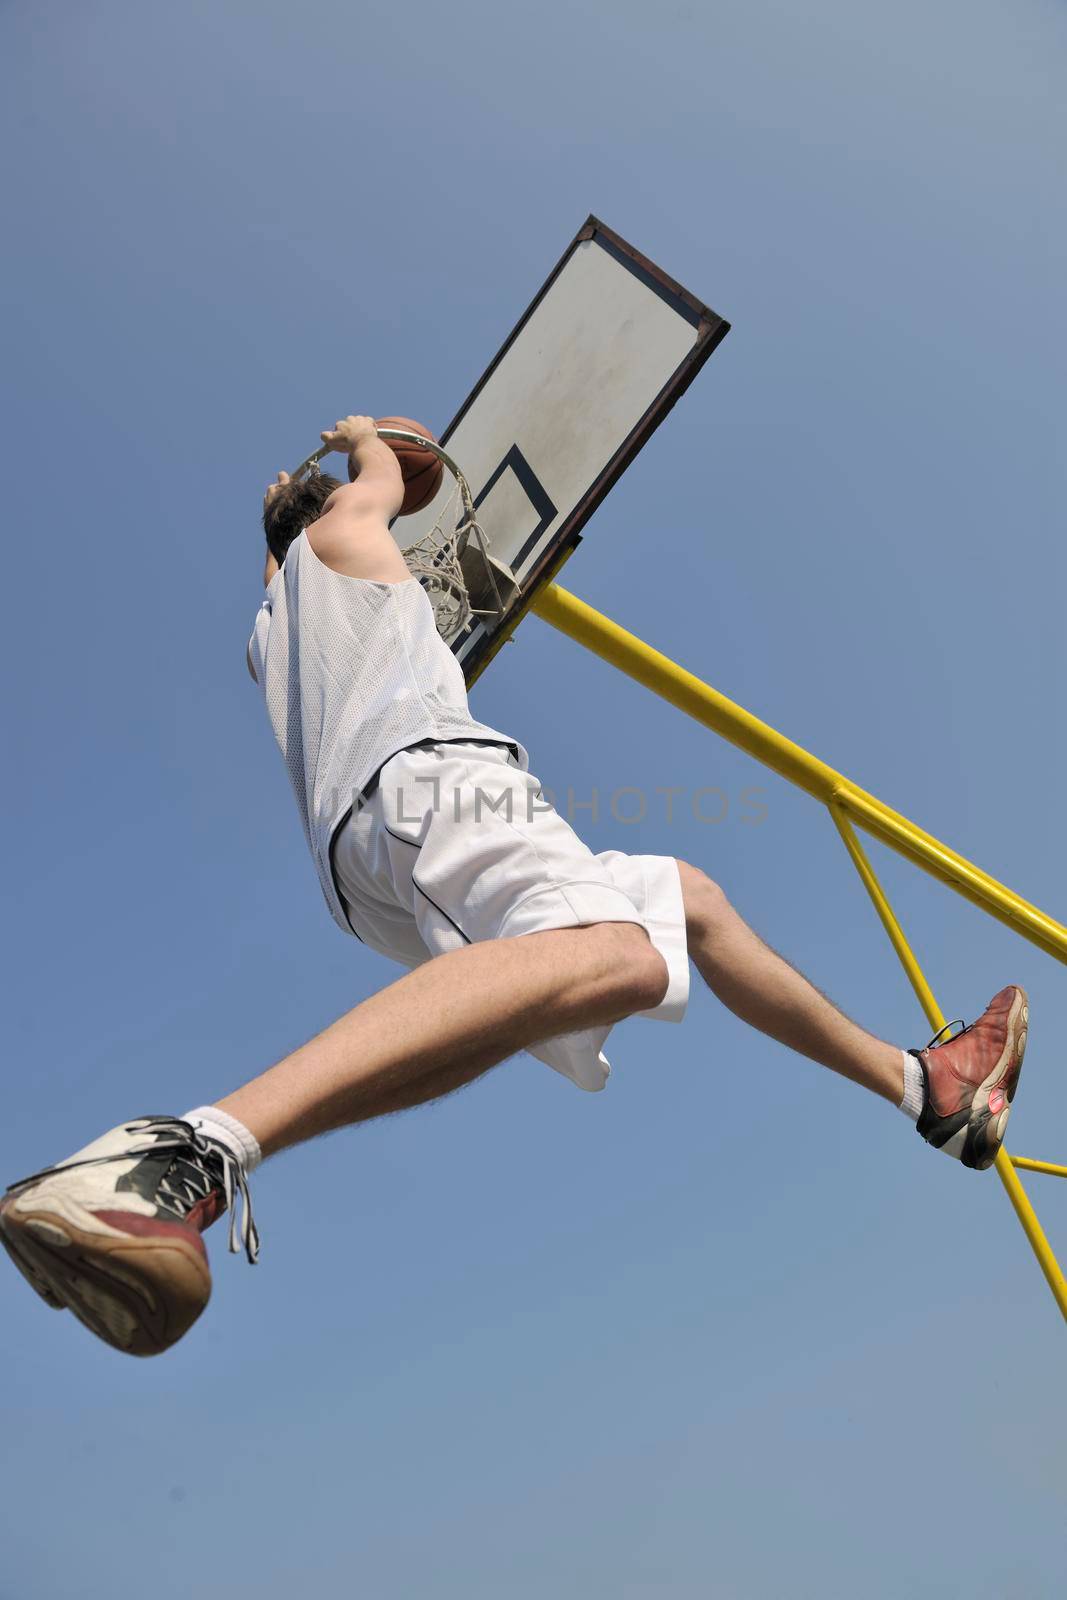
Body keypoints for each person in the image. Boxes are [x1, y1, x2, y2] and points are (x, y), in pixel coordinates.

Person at [0, 416, 1029, 1358]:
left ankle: (922, 1086)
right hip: (430, 780)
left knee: (685, 901)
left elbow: (287, 550)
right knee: (619, 958)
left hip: (363, 855)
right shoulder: (343, 534)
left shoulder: (271, 625)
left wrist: (280, 512)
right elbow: (387, 474)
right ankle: (184, 1152)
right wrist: (360, 443)